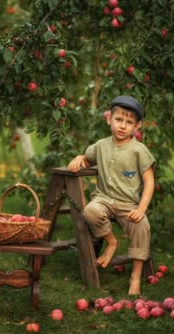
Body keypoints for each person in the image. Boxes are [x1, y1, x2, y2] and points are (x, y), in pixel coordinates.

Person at [67, 95, 156, 296]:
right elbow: (88, 160)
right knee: (90, 211)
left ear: (137, 126)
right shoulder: (100, 145)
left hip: (128, 204)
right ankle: (111, 241)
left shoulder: (138, 150)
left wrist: (141, 209)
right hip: (104, 200)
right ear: (109, 119)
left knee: (142, 225)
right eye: (118, 120)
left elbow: (150, 181)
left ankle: (135, 275)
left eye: (129, 122)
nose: (122, 126)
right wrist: (80, 157)